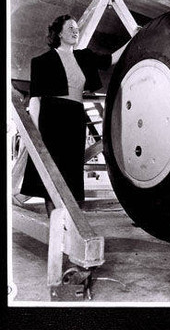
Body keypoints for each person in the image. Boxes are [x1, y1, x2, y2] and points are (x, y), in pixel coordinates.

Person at [21, 14, 126, 217]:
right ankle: (55, 225)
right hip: (52, 118)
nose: (75, 30)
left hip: (75, 118)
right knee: (52, 174)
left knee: (71, 175)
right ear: (59, 32)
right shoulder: (42, 61)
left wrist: (135, 37)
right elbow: (35, 99)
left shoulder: (83, 56)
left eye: (77, 28)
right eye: (70, 27)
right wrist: (36, 133)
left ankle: (68, 225)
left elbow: (111, 59)